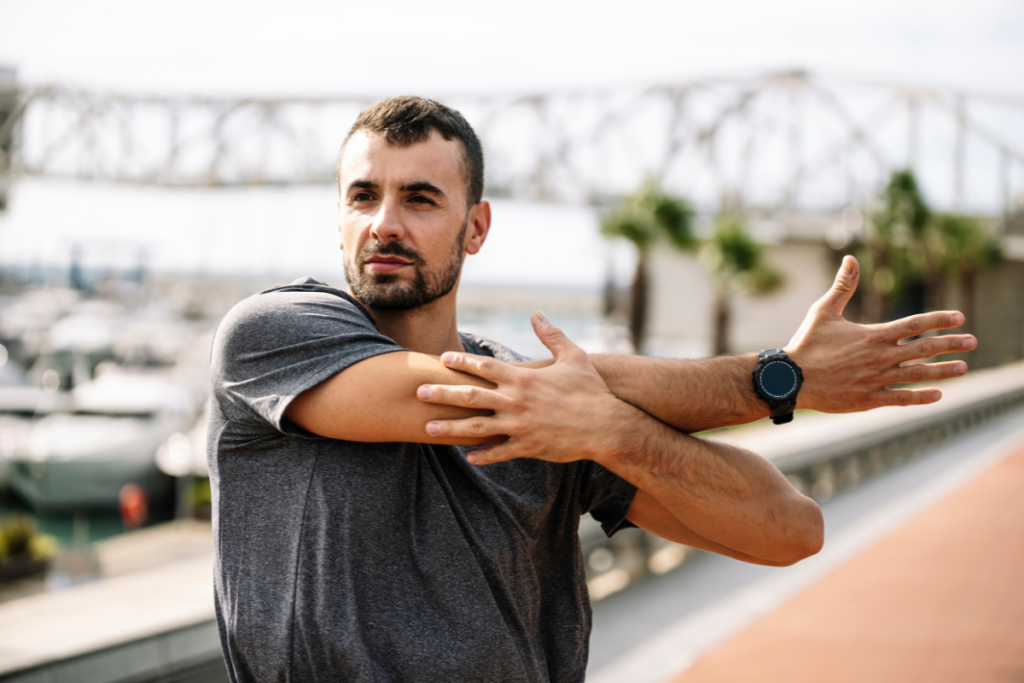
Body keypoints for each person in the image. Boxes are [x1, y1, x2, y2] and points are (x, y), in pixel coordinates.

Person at [208, 96, 976, 683]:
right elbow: (477, 396)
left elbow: (789, 530)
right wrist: (781, 379)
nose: (383, 222)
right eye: (362, 196)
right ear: (338, 218)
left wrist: (616, 433)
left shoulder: (570, 415)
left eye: (419, 198)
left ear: (476, 229)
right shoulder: (272, 334)